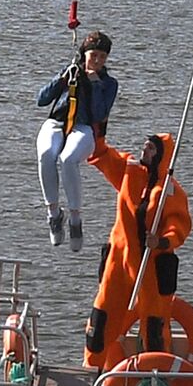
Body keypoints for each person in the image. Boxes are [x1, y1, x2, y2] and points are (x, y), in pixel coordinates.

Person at [83, 133, 193, 370]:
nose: (145, 150)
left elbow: (180, 225)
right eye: (145, 146)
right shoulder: (128, 171)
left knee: (155, 328)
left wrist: (162, 241)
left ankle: (156, 382)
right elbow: (102, 156)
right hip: (120, 260)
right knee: (100, 322)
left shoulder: (170, 192)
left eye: (151, 148)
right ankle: (92, 373)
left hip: (151, 266)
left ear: (161, 156)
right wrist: (93, 132)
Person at [35, 31, 119, 252]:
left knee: (68, 158)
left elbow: (100, 113)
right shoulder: (71, 72)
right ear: (84, 54)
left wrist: (94, 84)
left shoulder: (109, 83)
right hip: (57, 122)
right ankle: (54, 214)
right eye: (94, 56)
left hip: (84, 128)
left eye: (102, 57)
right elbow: (41, 100)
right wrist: (62, 79)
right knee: (46, 154)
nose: (98, 61)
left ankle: (75, 219)